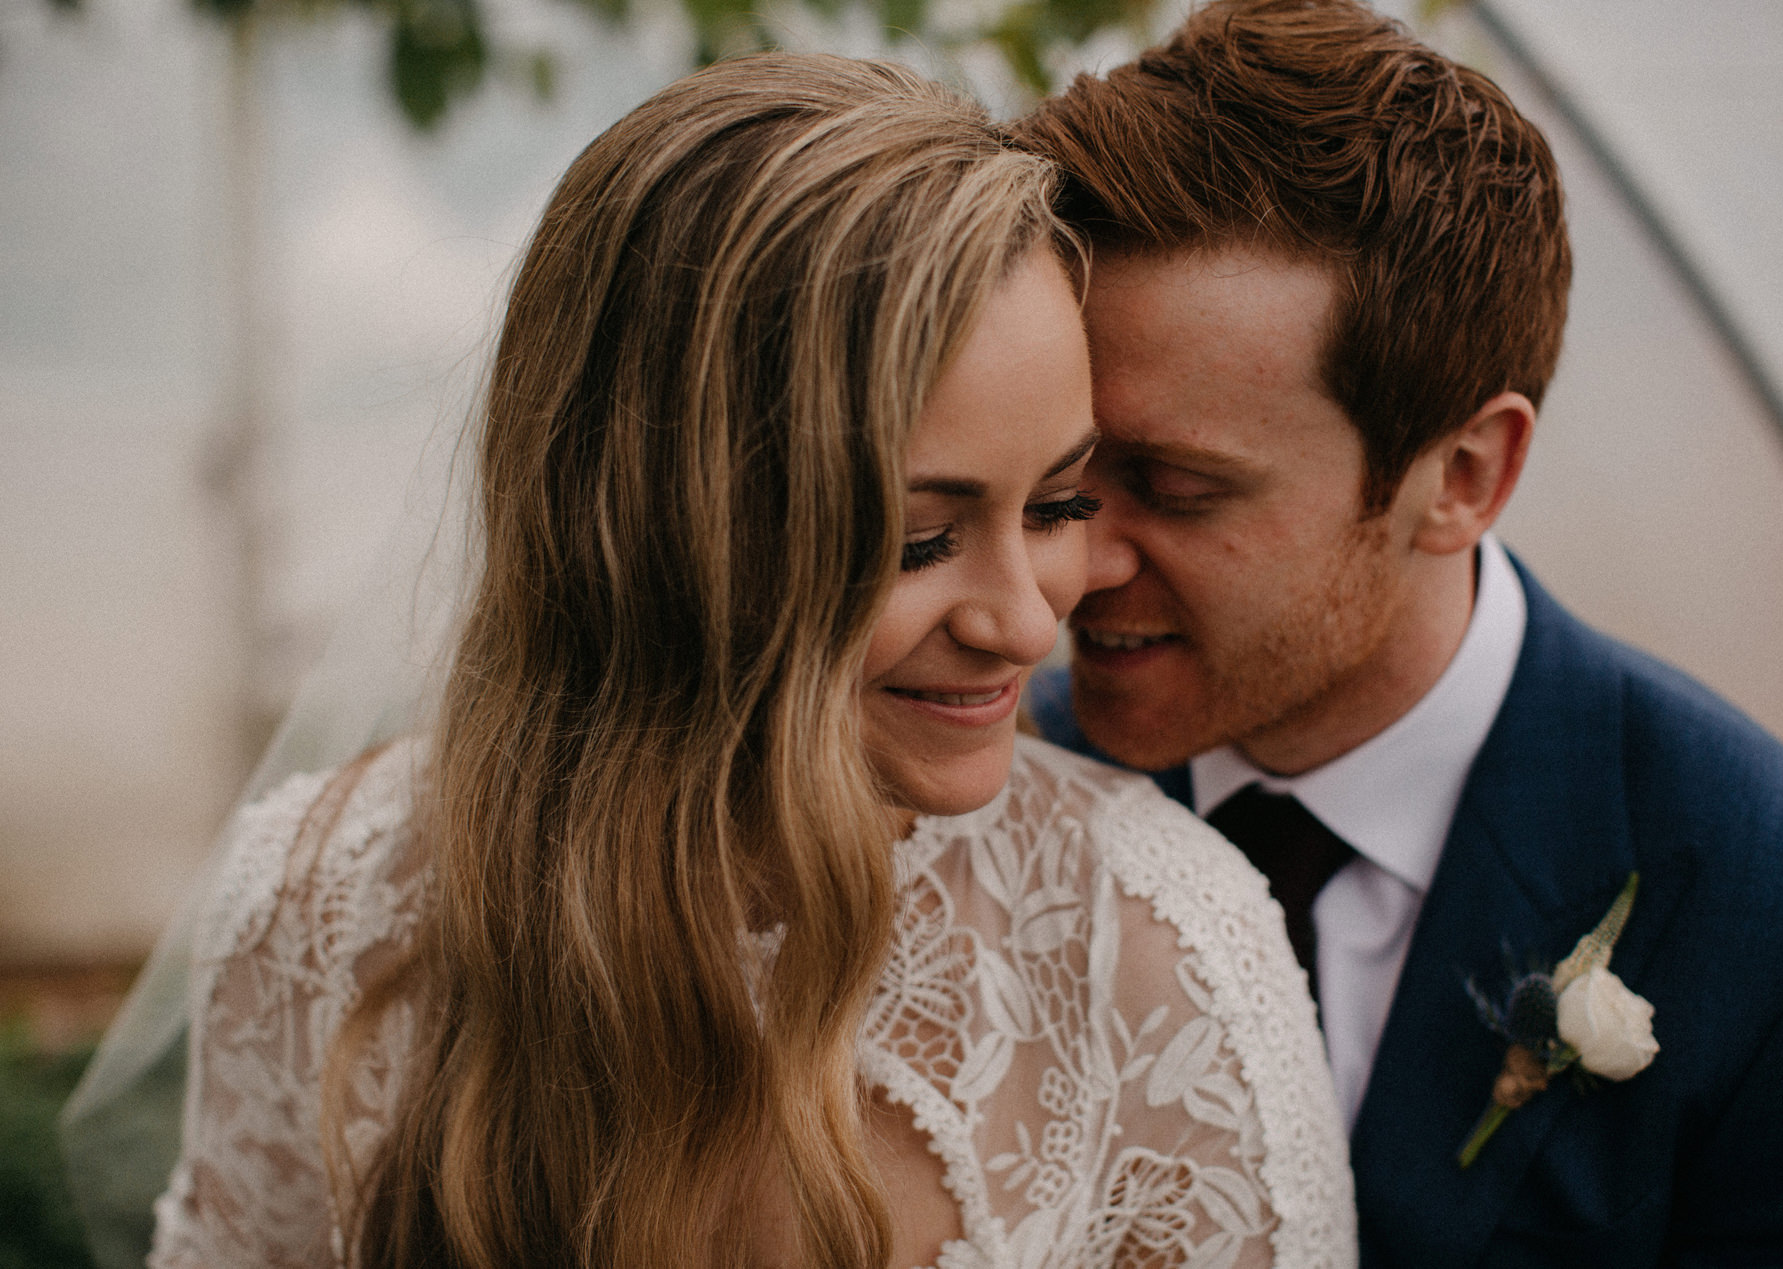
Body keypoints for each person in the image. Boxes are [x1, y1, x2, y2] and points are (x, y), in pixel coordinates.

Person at [140, 53, 1356, 1268]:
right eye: (918, 539)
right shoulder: (316, 903)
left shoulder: (1159, 967)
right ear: (663, 531)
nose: (1028, 626)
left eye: (1052, 507)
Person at [1017, 1, 1783, 1264]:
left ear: (1466, 476)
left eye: (1176, 488)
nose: (1070, 562)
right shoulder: (972, 805)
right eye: (1059, 472)